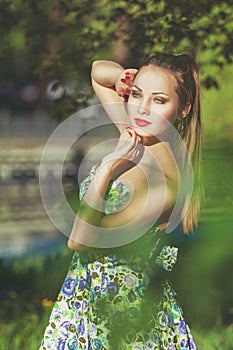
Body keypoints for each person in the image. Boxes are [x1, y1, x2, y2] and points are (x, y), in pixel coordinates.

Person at [39, 53, 201, 349]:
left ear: (184, 109)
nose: (142, 109)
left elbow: (81, 239)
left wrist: (106, 170)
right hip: (85, 300)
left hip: (123, 313)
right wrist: (121, 79)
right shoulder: (142, 135)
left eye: (159, 100)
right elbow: (97, 71)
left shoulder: (165, 184)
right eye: (137, 95)